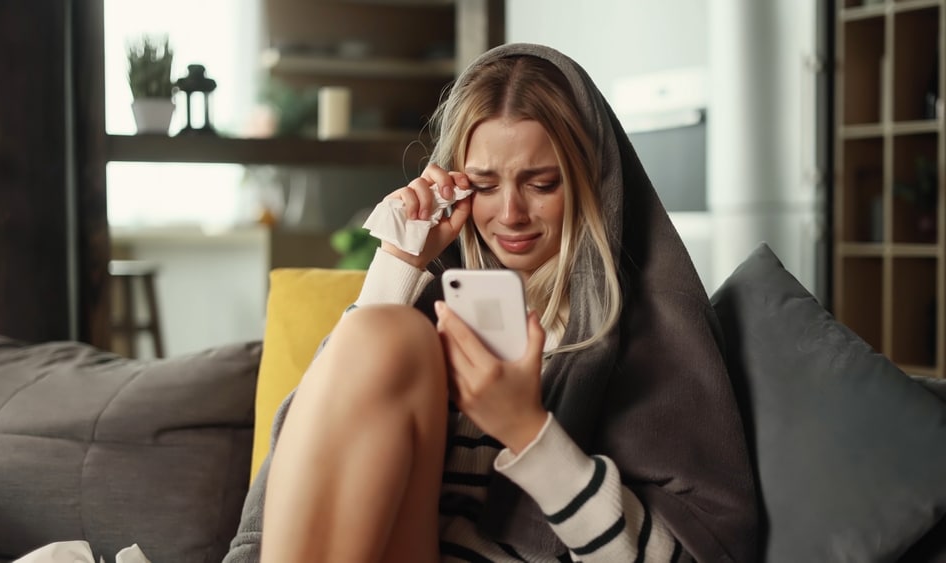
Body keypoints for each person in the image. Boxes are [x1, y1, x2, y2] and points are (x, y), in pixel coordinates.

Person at [224, 43, 758, 562]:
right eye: (483, 185)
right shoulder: (427, 309)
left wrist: (528, 430)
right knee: (385, 333)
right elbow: (305, 473)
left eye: (541, 184)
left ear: (591, 181)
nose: (510, 214)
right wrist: (398, 265)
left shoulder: (654, 333)